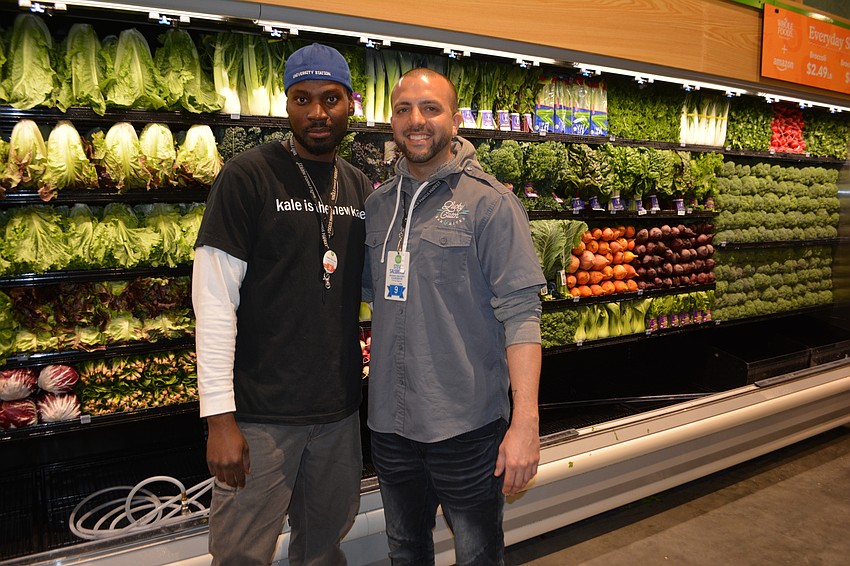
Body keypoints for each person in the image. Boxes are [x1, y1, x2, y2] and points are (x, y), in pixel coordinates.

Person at [192, 43, 371, 566]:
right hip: (260, 417)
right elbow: (215, 301)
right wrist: (219, 418)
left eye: (331, 98)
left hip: (338, 414)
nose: (318, 112)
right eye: (303, 98)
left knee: (323, 546)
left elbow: (365, 291)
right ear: (287, 103)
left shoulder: (359, 187)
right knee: (242, 553)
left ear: (350, 104)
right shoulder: (246, 177)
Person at [363, 68, 547, 565]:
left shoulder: (491, 204)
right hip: (390, 423)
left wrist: (525, 423)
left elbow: (522, 315)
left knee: (477, 553)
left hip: (466, 426)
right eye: (403, 110)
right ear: (392, 121)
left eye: (430, 108)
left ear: (456, 118)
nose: (416, 120)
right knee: (405, 548)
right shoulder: (378, 206)